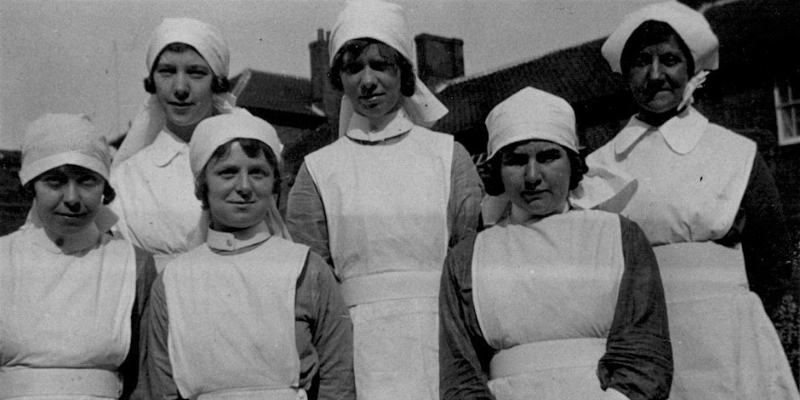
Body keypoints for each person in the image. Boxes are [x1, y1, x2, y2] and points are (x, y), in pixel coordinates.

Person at [587, 2, 799, 398]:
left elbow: (774, 259)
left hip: (728, 343)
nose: (655, 75)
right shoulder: (599, 165)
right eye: (640, 62)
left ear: (690, 68)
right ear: (625, 73)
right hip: (643, 353)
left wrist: (733, 318)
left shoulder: (734, 153)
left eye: (669, 60)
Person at [285, 1, 483, 398]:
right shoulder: (318, 171)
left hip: (441, 341)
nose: (368, 80)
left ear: (404, 73)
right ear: (339, 79)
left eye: (381, 65)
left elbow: (470, 263)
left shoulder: (448, 157)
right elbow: (314, 281)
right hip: (357, 349)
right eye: (353, 68)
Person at [439, 87, 673, 400]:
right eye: (516, 160)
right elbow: (461, 373)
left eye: (548, 157)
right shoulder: (467, 258)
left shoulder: (619, 236)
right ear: (497, 169)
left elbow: (646, 354)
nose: (532, 176)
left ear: (574, 163)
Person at [143, 114, 355, 400]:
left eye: (257, 172)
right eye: (227, 172)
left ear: (274, 183)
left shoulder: (306, 269)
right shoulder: (173, 282)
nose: (244, 187)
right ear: (202, 185)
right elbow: (163, 387)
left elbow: (338, 377)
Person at [0, 113, 156, 399]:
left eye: (86, 181)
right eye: (55, 182)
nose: (72, 198)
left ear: (105, 189)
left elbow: (143, 383)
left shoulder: (133, 263)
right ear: (30, 185)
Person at [110, 17, 249, 271]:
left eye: (196, 73)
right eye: (167, 72)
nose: (181, 88)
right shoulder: (127, 178)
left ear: (215, 82)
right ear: (153, 80)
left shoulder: (250, 162)